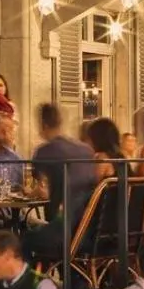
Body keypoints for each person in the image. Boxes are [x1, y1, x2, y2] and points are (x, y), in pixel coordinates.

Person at [26, 103, 98, 266]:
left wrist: (27, 192)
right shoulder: (86, 149)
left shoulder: (43, 151)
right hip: (89, 229)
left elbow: (41, 189)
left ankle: (33, 280)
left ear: (43, 125)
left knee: (25, 239)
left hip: (65, 230)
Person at [85, 116, 125, 182]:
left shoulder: (102, 157)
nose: (87, 141)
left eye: (88, 137)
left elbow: (92, 182)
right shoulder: (119, 155)